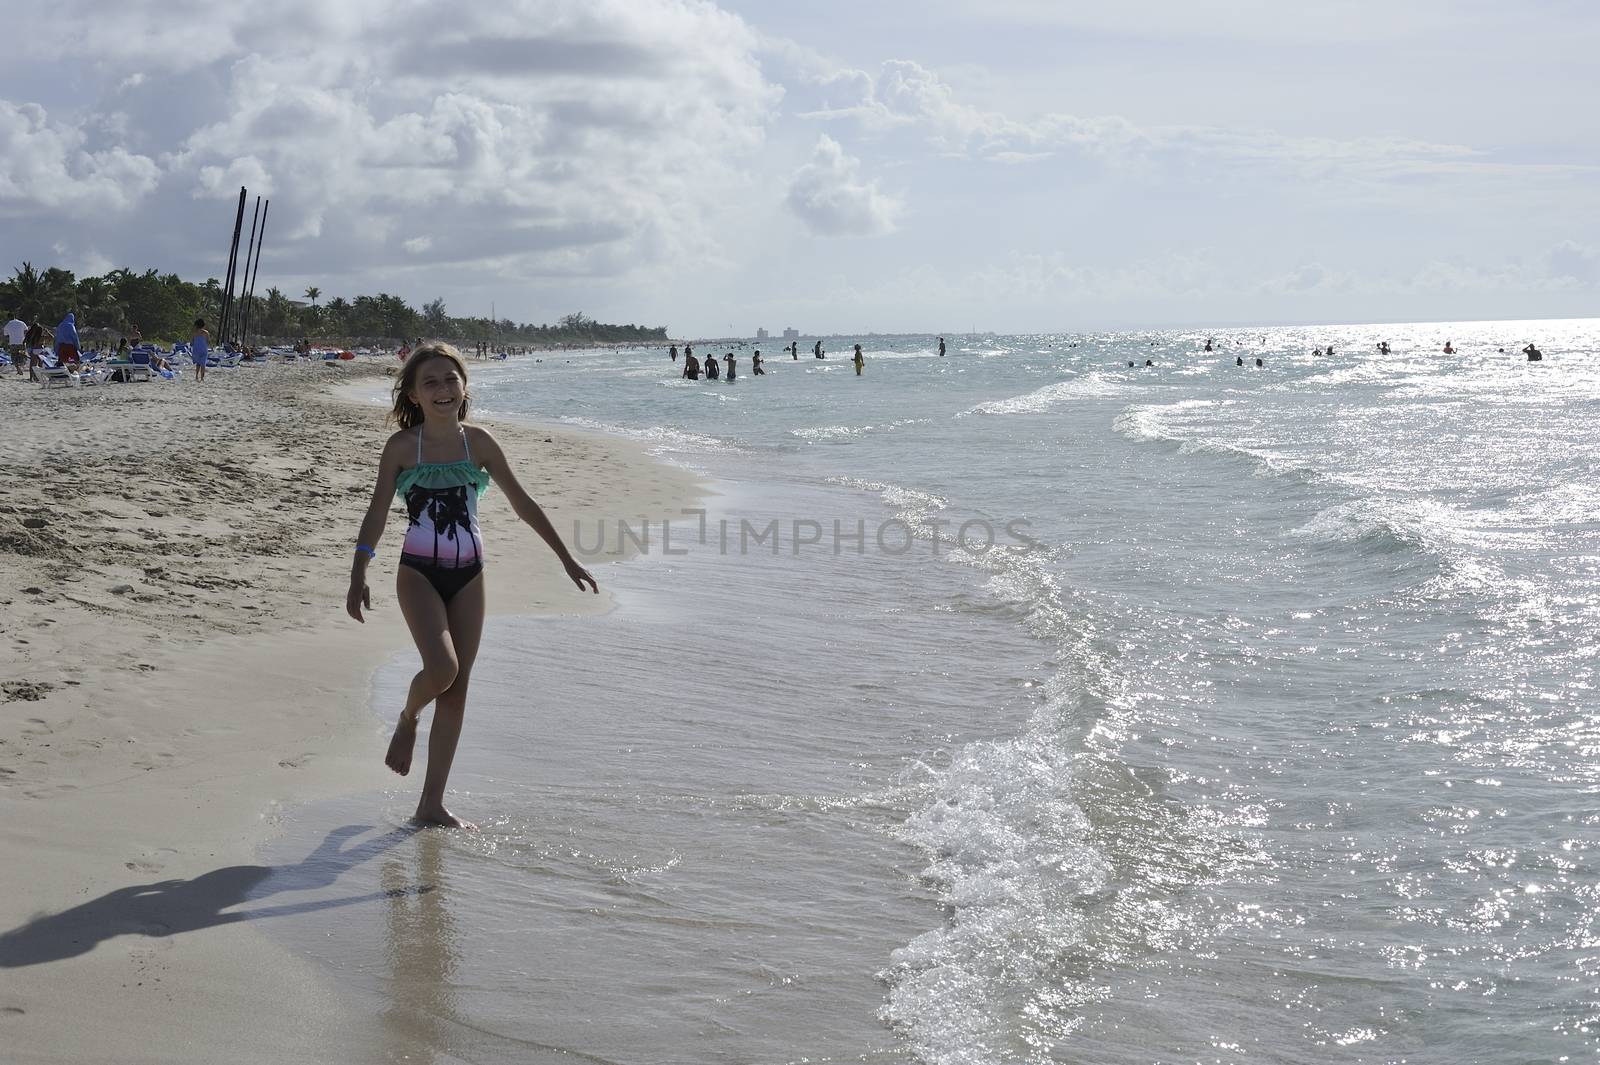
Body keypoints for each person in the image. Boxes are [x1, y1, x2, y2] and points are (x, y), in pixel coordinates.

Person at [346, 342, 596, 828]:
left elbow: (523, 504)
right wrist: (359, 572)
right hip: (417, 572)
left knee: (457, 691)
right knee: (442, 668)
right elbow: (376, 512)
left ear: (464, 387)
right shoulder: (402, 448)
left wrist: (566, 558)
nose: (442, 389)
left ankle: (430, 805)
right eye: (430, 382)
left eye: (450, 379)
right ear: (414, 395)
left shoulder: (477, 443)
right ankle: (408, 718)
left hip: (470, 576)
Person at [191, 318, 210, 382]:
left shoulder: (194, 333)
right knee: (203, 365)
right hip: (204, 350)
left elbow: (192, 342)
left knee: (198, 364)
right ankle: (202, 378)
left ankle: (196, 376)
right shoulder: (206, 333)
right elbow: (207, 341)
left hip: (196, 350)